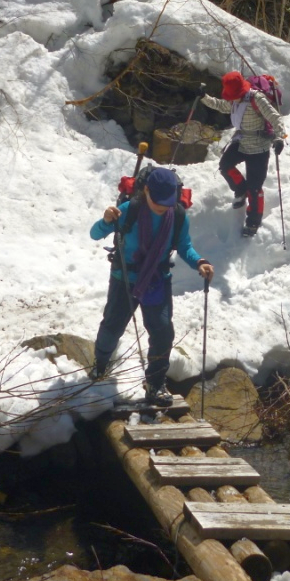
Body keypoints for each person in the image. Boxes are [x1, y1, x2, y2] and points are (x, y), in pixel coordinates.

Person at [89, 166, 214, 405]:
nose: (162, 207)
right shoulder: (129, 210)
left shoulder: (176, 215)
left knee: (162, 332)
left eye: (167, 202)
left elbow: (184, 246)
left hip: (157, 280)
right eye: (158, 201)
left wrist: (199, 262)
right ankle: (100, 366)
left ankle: (156, 383)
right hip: (124, 278)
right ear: (145, 190)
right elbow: (95, 234)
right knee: (112, 326)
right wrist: (106, 221)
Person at [201, 71, 286, 237]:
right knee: (225, 165)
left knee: (255, 188)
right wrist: (204, 96)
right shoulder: (234, 101)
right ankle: (240, 190)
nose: (231, 99)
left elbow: (275, 118)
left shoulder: (256, 99)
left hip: (259, 147)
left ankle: (253, 222)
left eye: (233, 96)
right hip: (241, 142)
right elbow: (220, 105)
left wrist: (279, 138)